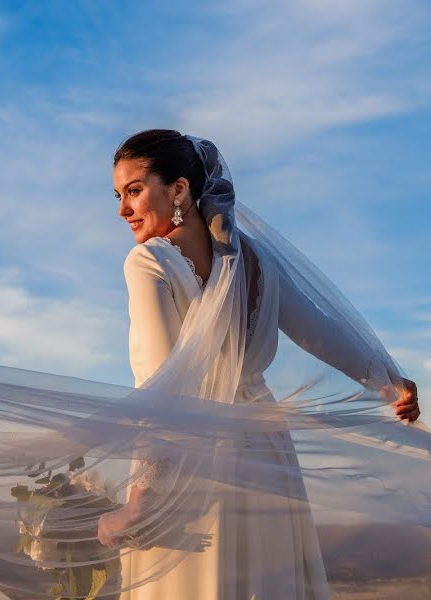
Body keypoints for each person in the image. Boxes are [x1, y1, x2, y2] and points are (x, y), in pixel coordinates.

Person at [96, 130, 420, 599]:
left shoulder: (148, 263)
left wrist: (140, 502)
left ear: (180, 189)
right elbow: (320, 330)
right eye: (119, 195)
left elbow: (164, 390)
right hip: (267, 454)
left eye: (134, 190)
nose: (122, 210)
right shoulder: (257, 261)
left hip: (193, 468)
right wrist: (388, 381)